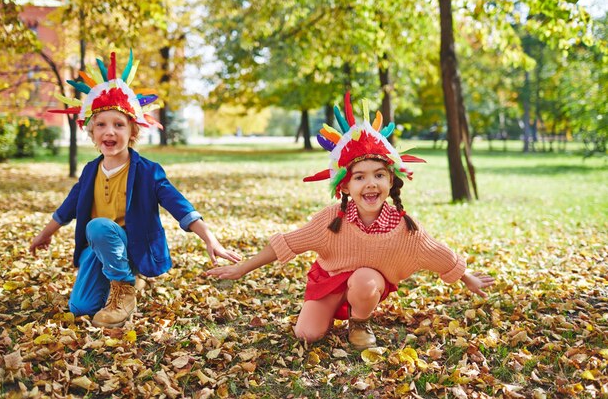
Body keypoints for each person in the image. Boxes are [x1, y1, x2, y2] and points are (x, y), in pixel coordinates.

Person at [207, 92, 494, 350]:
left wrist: (465, 276)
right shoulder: (331, 220)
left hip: (366, 284)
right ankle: (331, 308)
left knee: (365, 279)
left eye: (379, 175)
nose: (371, 183)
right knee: (307, 334)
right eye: (360, 177)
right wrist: (242, 268)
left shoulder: (404, 227)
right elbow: (288, 244)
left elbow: (437, 254)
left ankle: (359, 321)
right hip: (330, 280)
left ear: (391, 180)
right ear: (344, 187)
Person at [30, 51, 241, 328]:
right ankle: (120, 276)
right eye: (102, 125)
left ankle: (125, 289)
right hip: (101, 248)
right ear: (91, 132)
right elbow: (67, 209)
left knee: (98, 227)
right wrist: (43, 236)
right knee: (80, 307)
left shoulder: (146, 171)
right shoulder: (90, 171)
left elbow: (180, 206)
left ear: (132, 132)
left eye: (119, 125)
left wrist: (209, 238)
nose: (110, 132)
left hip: (133, 244)